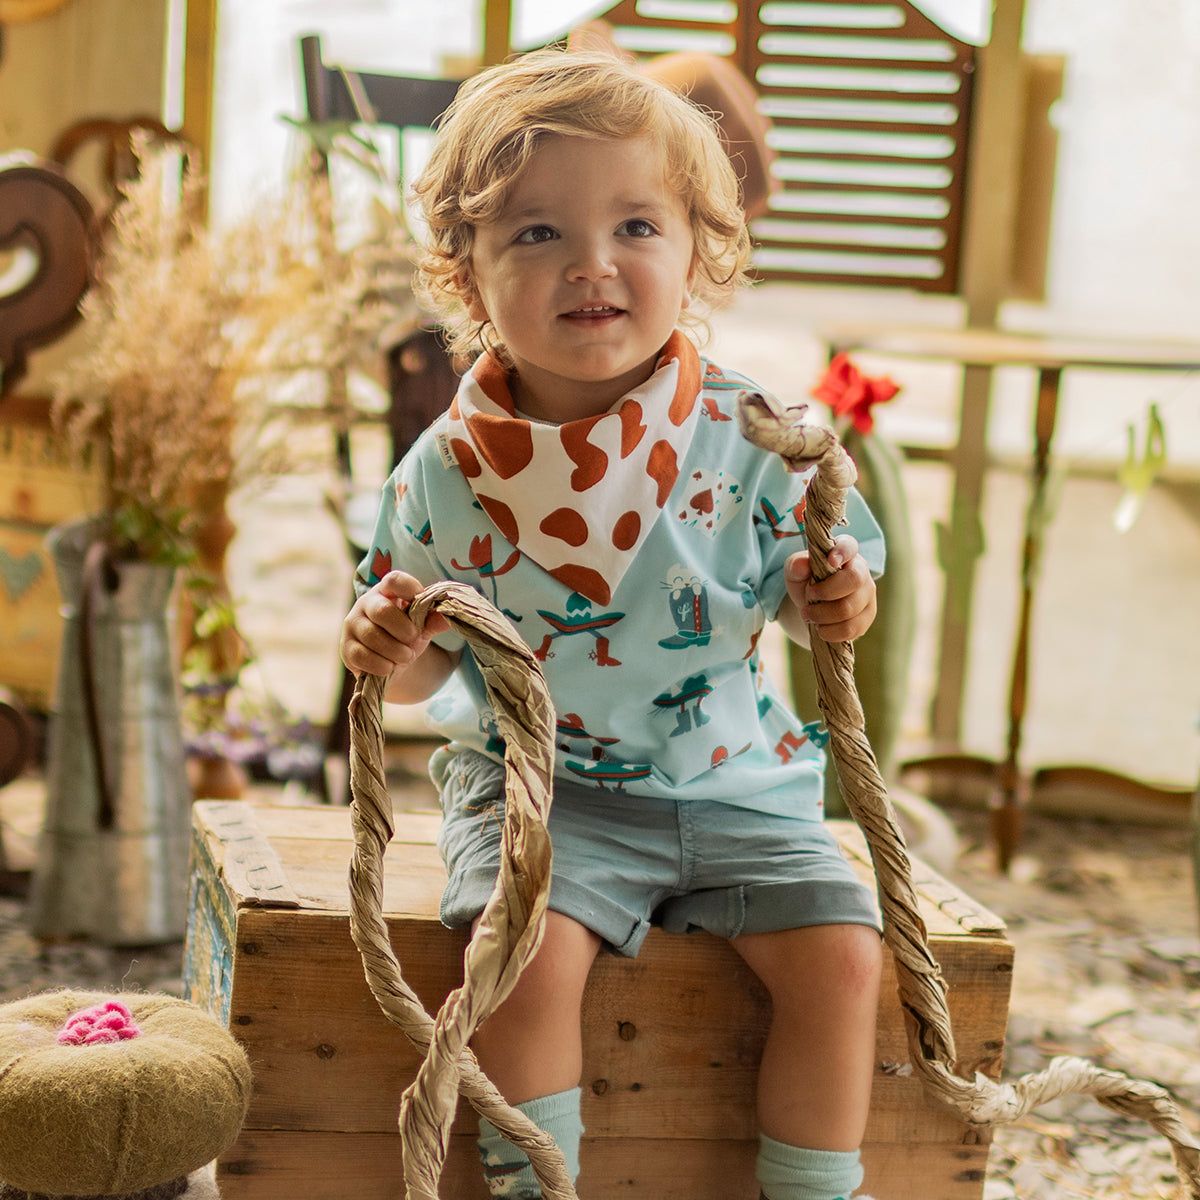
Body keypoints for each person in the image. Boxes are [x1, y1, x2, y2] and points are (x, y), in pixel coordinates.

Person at [340, 47, 883, 1200]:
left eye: (637, 227)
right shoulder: (448, 473)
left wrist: (836, 593)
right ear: (466, 273)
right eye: (536, 234)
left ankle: (819, 1192)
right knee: (519, 964)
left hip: (731, 781)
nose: (593, 263)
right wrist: (383, 645)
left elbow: (832, 579)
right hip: (550, 794)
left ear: (701, 253)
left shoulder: (756, 437)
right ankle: (542, 1186)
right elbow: (403, 665)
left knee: (843, 959)